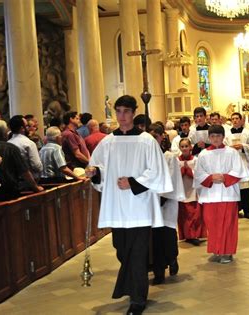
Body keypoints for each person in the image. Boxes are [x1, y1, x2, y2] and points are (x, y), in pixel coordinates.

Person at [86, 95, 173, 315]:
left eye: (126, 111)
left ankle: (137, 300)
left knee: (138, 253)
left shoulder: (146, 141)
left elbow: (157, 172)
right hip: (117, 206)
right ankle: (131, 286)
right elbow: (99, 168)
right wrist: (95, 173)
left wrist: (133, 182)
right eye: (118, 111)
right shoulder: (108, 142)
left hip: (140, 205)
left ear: (133, 113)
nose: (122, 116)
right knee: (122, 251)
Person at [194, 125, 249, 264]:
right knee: (212, 224)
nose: (215, 139)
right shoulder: (203, 154)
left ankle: (227, 252)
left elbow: (239, 170)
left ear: (223, 137)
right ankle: (216, 250)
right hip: (210, 194)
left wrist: (225, 177)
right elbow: (198, 173)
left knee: (227, 224)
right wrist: (211, 178)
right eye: (212, 136)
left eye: (218, 136)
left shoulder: (231, 152)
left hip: (228, 193)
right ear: (209, 137)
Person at [147, 123, 185, 285]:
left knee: (167, 235)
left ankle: (172, 258)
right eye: (150, 137)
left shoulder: (169, 156)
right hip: (149, 204)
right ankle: (158, 271)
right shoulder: (145, 157)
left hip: (166, 202)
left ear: (162, 137)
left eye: (156, 137)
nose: (153, 140)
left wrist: (160, 197)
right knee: (153, 239)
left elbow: (171, 179)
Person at [0, 120, 43, 201]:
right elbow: (24, 171)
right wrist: (35, 187)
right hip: (9, 193)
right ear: (3, 134)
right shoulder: (11, 148)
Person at [224, 112, 249, 219]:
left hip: (244, 162)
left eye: (237, 118)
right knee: (234, 187)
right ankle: (236, 209)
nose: (235, 120)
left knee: (246, 187)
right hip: (232, 164)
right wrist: (230, 149)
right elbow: (223, 146)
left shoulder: (247, 132)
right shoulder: (227, 133)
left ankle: (247, 210)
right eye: (233, 119)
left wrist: (243, 147)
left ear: (241, 120)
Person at [177, 138, 206, 245]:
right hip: (182, 190)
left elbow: (200, 174)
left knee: (195, 214)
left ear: (191, 147)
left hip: (193, 190)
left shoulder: (195, 160)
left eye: (186, 146)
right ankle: (187, 235)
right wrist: (181, 172)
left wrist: (189, 171)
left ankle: (195, 234)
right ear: (180, 148)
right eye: (182, 146)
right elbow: (174, 176)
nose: (184, 148)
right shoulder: (176, 160)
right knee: (184, 214)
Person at [7, 115, 43, 182]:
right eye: (27, 126)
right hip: (30, 181)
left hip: (14, 180)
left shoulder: (7, 143)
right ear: (22, 128)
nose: (28, 128)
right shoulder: (29, 143)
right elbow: (36, 166)